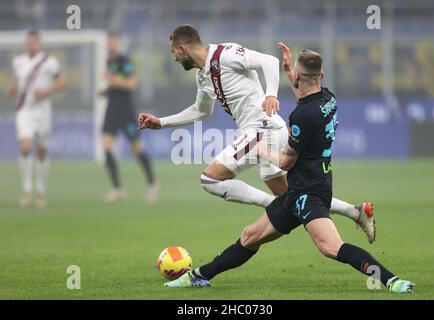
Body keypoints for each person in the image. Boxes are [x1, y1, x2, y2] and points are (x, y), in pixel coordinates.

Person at [164, 48, 414, 293]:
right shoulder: (328, 99)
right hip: (300, 189)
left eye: (293, 74)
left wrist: (263, 151)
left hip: (309, 192)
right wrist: (286, 70)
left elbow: (284, 163)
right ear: (321, 76)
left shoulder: (302, 117)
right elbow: (306, 101)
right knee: (250, 237)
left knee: (330, 247)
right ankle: (198, 277)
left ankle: (392, 280)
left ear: (297, 77)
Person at [138, 25, 375, 242]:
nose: (174, 57)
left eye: (174, 52)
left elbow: (269, 62)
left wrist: (271, 94)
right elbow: (201, 111)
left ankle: (275, 207)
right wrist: (161, 122)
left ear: (183, 48)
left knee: (210, 180)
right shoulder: (203, 75)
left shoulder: (226, 53)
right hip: (267, 130)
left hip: (261, 130)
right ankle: (355, 211)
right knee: (292, 197)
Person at [5, 30, 66, 208]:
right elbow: (21, 82)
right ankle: (26, 191)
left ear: (39, 43)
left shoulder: (49, 62)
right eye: (28, 42)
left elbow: (62, 83)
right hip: (24, 109)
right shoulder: (18, 62)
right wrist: (12, 88)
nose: (30, 45)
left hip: (43, 111)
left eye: (33, 42)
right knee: (25, 147)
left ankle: (40, 191)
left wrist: (45, 92)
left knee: (41, 151)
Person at [101, 33, 158, 203]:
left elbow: (131, 84)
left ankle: (152, 184)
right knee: (106, 146)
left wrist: (112, 81)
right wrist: (107, 90)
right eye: (108, 41)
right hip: (111, 110)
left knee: (136, 148)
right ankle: (117, 189)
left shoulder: (123, 60)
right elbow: (115, 85)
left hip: (125, 111)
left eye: (112, 41)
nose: (110, 44)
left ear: (117, 43)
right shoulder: (108, 62)